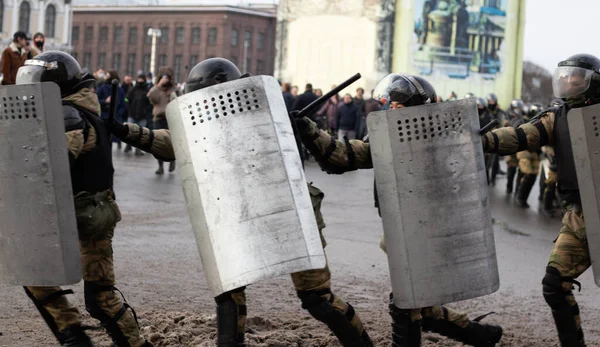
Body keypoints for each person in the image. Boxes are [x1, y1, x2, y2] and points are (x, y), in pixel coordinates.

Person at [106, 57, 374, 347]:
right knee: (228, 289)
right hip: (240, 213)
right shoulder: (207, 122)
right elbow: (176, 142)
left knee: (317, 299)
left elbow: (331, 154)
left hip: (290, 214)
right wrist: (126, 131)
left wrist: (303, 127)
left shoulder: (265, 111)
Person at [294, 73, 503, 347]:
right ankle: (477, 334)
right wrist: (309, 129)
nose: (392, 110)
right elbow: (343, 156)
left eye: (399, 107)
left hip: (430, 230)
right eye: (390, 105)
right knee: (417, 300)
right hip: (401, 228)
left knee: (407, 301)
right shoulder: (386, 137)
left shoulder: (443, 139)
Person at [16, 50, 152, 347]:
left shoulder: (68, 115)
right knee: (100, 297)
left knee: (31, 269)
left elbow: (53, 164)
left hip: (80, 212)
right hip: (96, 210)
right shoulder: (83, 109)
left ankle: (74, 337)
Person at [482, 53, 600, 347]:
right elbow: (523, 135)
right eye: (567, 78)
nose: (570, 83)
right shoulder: (555, 117)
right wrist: (485, 141)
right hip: (579, 215)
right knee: (554, 284)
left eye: (578, 79)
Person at [147, 67, 178, 174]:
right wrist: (159, 85)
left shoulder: (174, 90)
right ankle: (160, 166)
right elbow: (150, 96)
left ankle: (172, 161)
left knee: (173, 142)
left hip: (172, 119)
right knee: (159, 143)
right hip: (159, 119)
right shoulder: (156, 89)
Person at [96, 70, 127, 149]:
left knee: (109, 139)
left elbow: (123, 104)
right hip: (103, 116)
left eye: (107, 75)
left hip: (114, 117)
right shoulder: (102, 87)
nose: (105, 76)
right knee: (104, 139)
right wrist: (105, 101)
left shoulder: (119, 90)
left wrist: (118, 115)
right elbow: (96, 100)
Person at [125, 74, 152, 155]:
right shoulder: (132, 89)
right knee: (130, 132)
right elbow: (127, 100)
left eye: (141, 79)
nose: (140, 80)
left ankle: (138, 149)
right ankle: (128, 145)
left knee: (140, 134)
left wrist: (146, 111)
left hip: (142, 116)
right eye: (139, 78)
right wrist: (129, 110)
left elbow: (150, 103)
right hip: (132, 114)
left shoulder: (147, 90)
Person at [504, 99, 525, 194]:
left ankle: (517, 191)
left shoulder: (522, 119)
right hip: (511, 146)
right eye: (516, 108)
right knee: (511, 169)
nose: (518, 110)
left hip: (520, 147)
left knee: (521, 170)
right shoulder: (507, 119)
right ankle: (509, 188)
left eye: (519, 108)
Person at [486, 93, 507, 182]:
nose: (491, 103)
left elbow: (502, 125)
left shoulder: (499, 112)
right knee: (485, 162)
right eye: (490, 101)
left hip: (496, 138)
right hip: (485, 137)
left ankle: (493, 179)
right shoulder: (484, 111)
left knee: (495, 161)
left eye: (493, 101)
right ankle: (486, 180)